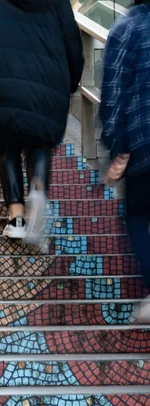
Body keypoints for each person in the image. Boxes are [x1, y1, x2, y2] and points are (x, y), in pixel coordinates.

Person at [0, 0, 83, 246]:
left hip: (4, 77)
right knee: (40, 142)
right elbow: (72, 40)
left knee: (8, 144)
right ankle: (37, 195)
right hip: (48, 80)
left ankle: (16, 218)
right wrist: (72, 81)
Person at [99, 0, 150, 321]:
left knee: (136, 216)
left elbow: (114, 94)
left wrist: (117, 145)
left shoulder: (126, 29)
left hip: (142, 142)